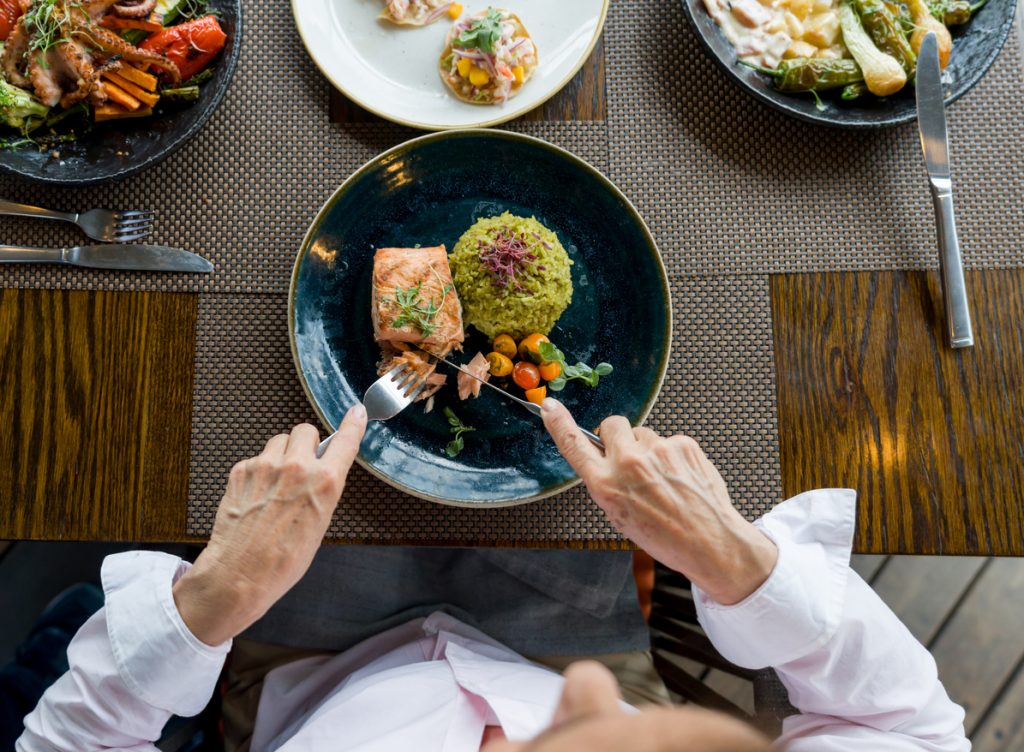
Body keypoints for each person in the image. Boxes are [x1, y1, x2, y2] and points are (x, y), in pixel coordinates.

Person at [17, 400, 970, 751]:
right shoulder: (586, 676)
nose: (592, 695)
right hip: (553, 634)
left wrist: (210, 602)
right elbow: (914, 733)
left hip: (295, 665)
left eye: (580, 727)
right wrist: (743, 562)